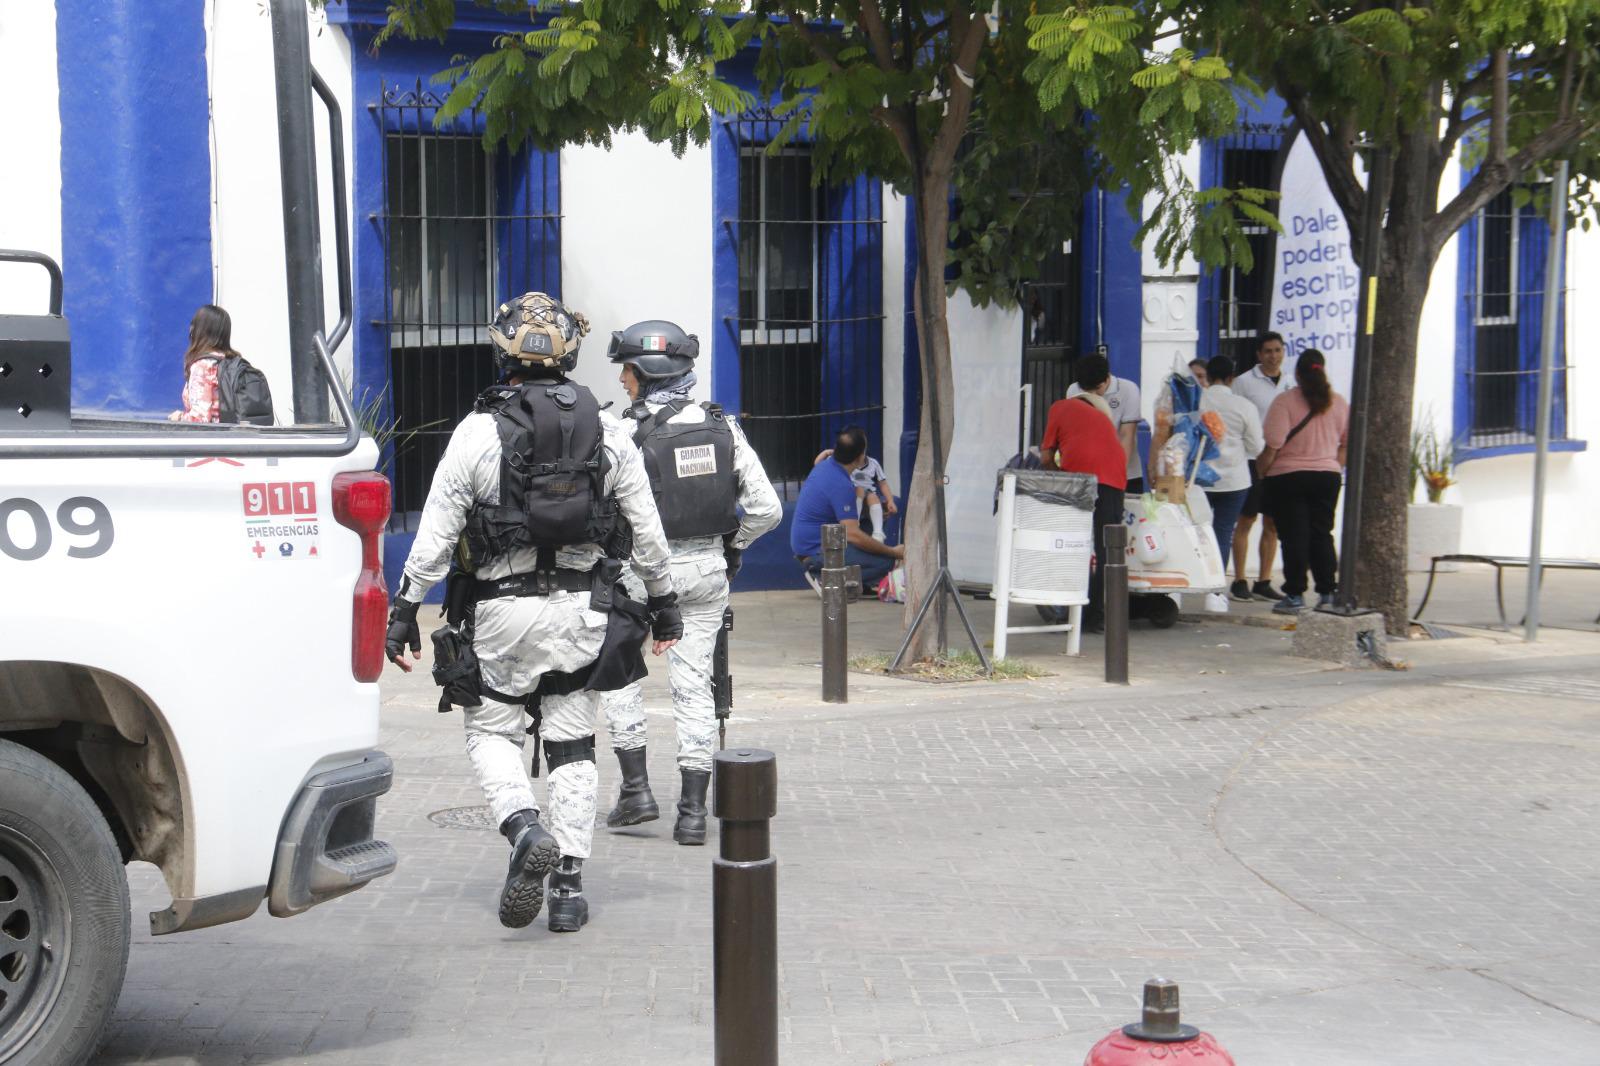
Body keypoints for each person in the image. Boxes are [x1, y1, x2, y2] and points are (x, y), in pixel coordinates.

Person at [384, 292, 683, 934]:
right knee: (573, 741)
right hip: (584, 611)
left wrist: (405, 608)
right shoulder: (611, 431)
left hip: (501, 611)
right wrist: (664, 606)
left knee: (492, 731)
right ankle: (569, 891)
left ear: (503, 351)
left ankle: (524, 829)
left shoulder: (476, 431)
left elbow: (436, 532)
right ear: (570, 354)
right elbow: (649, 534)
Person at [599, 320, 780, 845]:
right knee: (693, 690)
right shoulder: (724, 427)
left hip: (640, 573)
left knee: (622, 678)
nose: (623, 382)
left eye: (627, 371)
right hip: (706, 573)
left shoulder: (623, 431)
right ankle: (694, 814)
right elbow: (766, 508)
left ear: (647, 373)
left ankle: (636, 792)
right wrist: (734, 545)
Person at [1040, 357, 1128, 634]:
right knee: (1107, 550)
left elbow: (1045, 456)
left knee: (1071, 546)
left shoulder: (1060, 407)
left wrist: (1059, 474)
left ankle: (1070, 609)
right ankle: (1098, 617)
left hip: (1078, 481)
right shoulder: (1103, 414)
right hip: (1114, 479)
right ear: (1104, 383)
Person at [1259, 348, 1349, 614]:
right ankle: (1327, 593)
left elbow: (1273, 444)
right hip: (1328, 477)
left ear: (1296, 373)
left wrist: (1262, 471)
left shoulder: (1284, 402)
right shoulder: (1339, 402)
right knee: (1322, 533)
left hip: (1289, 477)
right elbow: (1346, 444)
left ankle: (1295, 594)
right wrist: (1331, 465)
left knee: (1294, 536)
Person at [791, 427, 904, 591]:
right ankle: (823, 576)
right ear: (859, 458)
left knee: (872, 524)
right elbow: (851, 534)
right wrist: (893, 552)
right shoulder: (841, 484)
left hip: (818, 543)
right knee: (887, 562)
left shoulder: (826, 466)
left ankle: (852, 581)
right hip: (817, 552)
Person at [1228, 331, 1293, 601]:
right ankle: (1240, 578)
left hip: (1283, 461)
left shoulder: (1290, 384)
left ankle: (1264, 580)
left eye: (1277, 350)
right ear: (1258, 354)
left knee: (1273, 523)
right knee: (1246, 520)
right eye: (1268, 351)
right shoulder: (1244, 383)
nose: (1273, 356)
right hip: (1252, 460)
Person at [1198, 356, 1264, 613]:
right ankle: (1215, 593)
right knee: (1223, 533)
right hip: (1234, 480)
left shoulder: (1198, 402)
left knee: (1196, 533)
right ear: (1231, 378)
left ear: (1207, 375)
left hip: (1199, 480)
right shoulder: (1244, 406)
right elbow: (1256, 447)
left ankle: (1190, 584)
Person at [1067, 352, 1145, 495]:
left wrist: (1118, 473)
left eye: (1097, 389)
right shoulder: (1074, 390)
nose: (1093, 395)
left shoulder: (1128, 390)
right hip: (1087, 475)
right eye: (1087, 390)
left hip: (1124, 473)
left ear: (1107, 377)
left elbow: (1126, 435)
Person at [812, 437, 898, 542]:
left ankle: (878, 533)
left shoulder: (873, 464)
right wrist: (826, 453)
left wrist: (890, 500)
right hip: (849, 500)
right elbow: (818, 464)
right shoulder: (843, 462)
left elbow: (883, 483)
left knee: (873, 496)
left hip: (868, 501)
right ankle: (854, 524)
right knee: (859, 489)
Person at [170, 304, 235, 423]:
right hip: (240, 434)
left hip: (216, 437)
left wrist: (179, 417)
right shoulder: (233, 361)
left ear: (199, 331)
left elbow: (200, 418)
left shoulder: (203, 366)